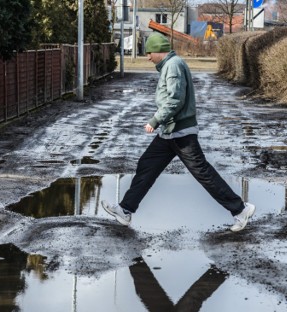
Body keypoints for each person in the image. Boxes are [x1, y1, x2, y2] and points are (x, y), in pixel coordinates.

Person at [101, 33, 255, 232]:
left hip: (180, 132)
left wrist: (155, 120)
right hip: (170, 133)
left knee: (203, 174)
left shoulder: (173, 66)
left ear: (158, 50)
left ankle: (240, 209)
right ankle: (125, 209)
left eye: (149, 52)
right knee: (147, 166)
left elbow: (175, 99)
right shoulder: (169, 65)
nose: (148, 57)